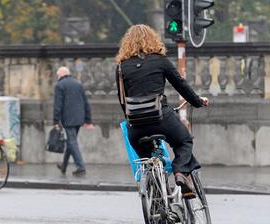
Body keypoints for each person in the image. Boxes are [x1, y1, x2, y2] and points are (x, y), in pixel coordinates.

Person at [116, 24, 209, 199]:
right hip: (161, 118)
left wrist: (131, 119)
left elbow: (122, 98)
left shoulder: (121, 67)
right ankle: (180, 172)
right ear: (152, 39)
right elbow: (181, 85)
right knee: (184, 141)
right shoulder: (160, 60)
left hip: (135, 126)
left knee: (147, 160)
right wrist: (197, 102)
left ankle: (157, 206)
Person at [53, 66, 93, 177]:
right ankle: (64, 166)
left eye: (57, 76)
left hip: (68, 119)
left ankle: (81, 168)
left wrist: (56, 120)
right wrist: (88, 119)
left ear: (60, 75)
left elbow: (58, 105)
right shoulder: (78, 83)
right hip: (79, 118)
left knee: (72, 142)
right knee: (72, 141)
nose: (57, 78)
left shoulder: (59, 85)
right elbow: (85, 102)